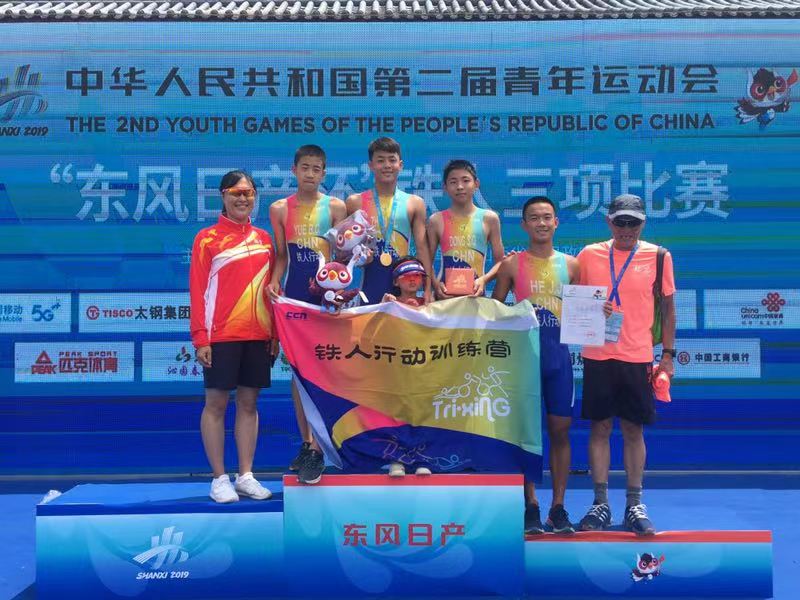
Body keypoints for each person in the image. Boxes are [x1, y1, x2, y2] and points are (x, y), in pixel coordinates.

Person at [576, 194, 676, 536]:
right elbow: (573, 301)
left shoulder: (659, 256)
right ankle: (600, 503)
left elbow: (668, 309)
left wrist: (668, 355)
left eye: (633, 222)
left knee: (634, 430)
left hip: (637, 356)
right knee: (600, 428)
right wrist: (592, 308)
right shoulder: (589, 255)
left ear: (643, 223)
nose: (627, 229)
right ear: (609, 222)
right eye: (621, 221)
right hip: (597, 354)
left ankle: (634, 504)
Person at [189, 170, 278, 503]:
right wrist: (201, 338)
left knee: (249, 404)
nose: (243, 198)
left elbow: (272, 292)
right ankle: (218, 479)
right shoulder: (207, 239)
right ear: (223, 196)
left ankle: (246, 475)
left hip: (258, 335)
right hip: (221, 335)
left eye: (248, 193)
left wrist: (275, 333)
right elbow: (198, 291)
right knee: (216, 404)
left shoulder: (264, 239)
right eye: (236, 193)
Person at [491, 196, 578, 534]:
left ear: (556, 222)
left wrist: (600, 314)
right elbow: (495, 310)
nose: (541, 223)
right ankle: (530, 505)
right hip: (523, 359)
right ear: (524, 225)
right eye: (534, 218)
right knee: (526, 433)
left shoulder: (572, 266)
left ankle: (558, 507)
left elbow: (585, 311)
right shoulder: (512, 265)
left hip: (559, 360)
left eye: (547, 217)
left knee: (560, 431)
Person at [268, 145, 347, 485]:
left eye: (317, 168)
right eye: (305, 167)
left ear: (324, 173)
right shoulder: (279, 209)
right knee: (299, 375)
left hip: (326, 302)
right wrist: (274, 280)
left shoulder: (336, 207)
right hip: (296, 300)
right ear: (294, 170)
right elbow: (281, 256)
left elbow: (343, 257)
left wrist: (339, 292)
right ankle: (307, 444)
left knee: (326, 371)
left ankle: (324, 445)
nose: (310, 173)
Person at [346, 137, 433, 304]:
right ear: (371, 165)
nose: (387, 165)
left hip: (404, 287)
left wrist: (428, 289)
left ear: (400, 164)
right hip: (368, 285)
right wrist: (359, 257)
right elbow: (343, 250)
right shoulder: (355, 202)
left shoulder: (414, 203)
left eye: (392, 160)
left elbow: (422, 248)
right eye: (380, 160)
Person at [381, 256, 433, 477]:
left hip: (424, 373)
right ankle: (397, 460)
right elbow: (372, 332)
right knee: (397, 416)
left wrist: (428, 310)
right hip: (396, 373)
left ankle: (422, 459)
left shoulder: (432, 305)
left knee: (423, 416)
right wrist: (384, 307)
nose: (412, 280)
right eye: (406, 276)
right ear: (396, 281)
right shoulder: (388, 303)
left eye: (417, 276)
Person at [428, 160, 504, 299]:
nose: (460, 186)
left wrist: (484, 280)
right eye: (453, 182)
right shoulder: (436, 220)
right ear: (445, 187)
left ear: (476, 184)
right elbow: (426, 260)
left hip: (476, 297)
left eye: (466, 180)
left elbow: (500, 262)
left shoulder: (489, 218)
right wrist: (436, 285)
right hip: (445, 297)